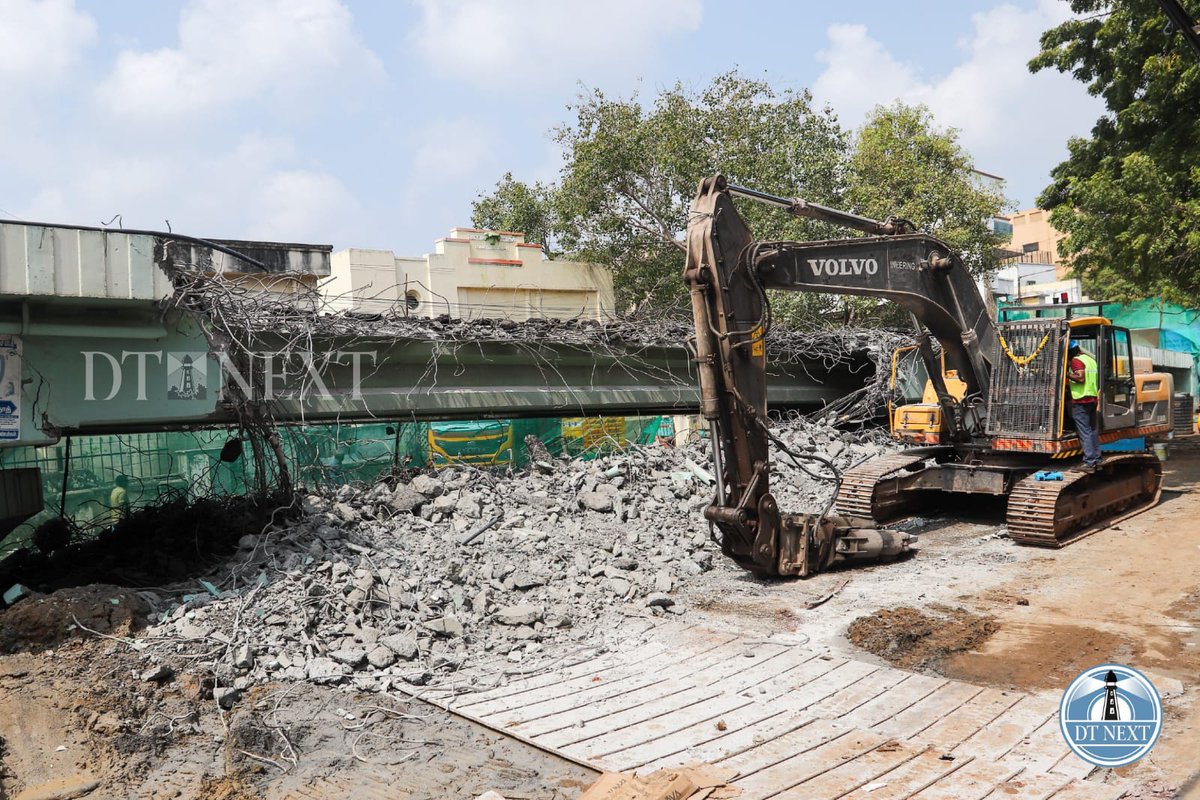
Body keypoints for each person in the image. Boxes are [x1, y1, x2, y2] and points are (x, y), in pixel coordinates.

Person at [1067, 341, 1101, 472]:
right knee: (1092, 430)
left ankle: (1089, 462)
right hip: (1092, 399)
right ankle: (1097, 459)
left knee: (1084, 431)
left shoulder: (1076, 360)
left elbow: (1081, 378)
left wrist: (1066, 374)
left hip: (1081, 401)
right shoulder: (1090, 360)